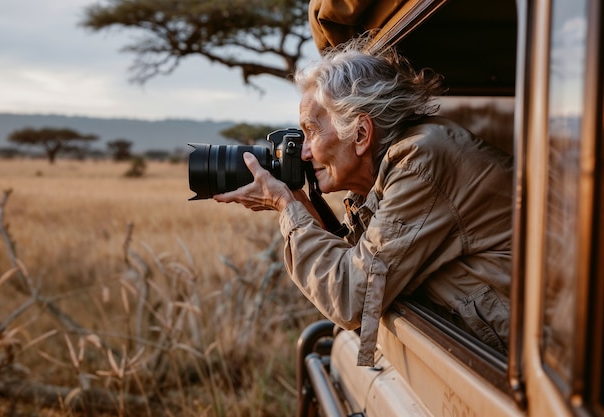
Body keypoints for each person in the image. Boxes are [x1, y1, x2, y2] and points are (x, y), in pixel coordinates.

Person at [214, 35, 513, 366]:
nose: (304, 151)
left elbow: (350, 297)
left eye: (311, 131)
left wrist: (287, 209)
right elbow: (358, 264)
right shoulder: (382, 178)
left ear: (360, 134)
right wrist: (300, 202)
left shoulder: (420, 161)